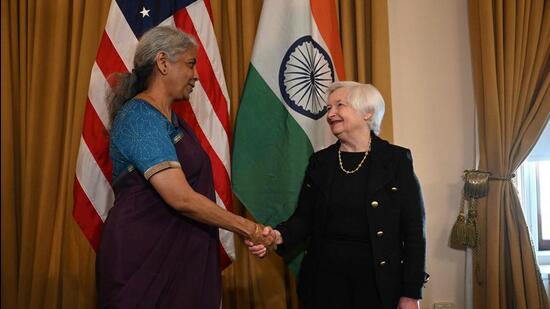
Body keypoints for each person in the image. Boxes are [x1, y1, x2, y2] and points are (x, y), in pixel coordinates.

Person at [96, 26, 274, 309]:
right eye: (191, 64)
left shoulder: (173, 122)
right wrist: (247, 227)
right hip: (143, 260)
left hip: (181, 257)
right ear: (163, 63)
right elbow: (180, 197)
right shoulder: (140, 117)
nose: (197, 76)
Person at [247, 81, 429, 309]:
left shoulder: (396, 161)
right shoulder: (320, 162)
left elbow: (414, 231)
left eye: (339, 105)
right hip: (323, 286)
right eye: (328, 108)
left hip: (377, 287)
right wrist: (276, 236)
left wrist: (410, 293)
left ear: (368, 113)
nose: (330, 114)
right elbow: (304, 219)